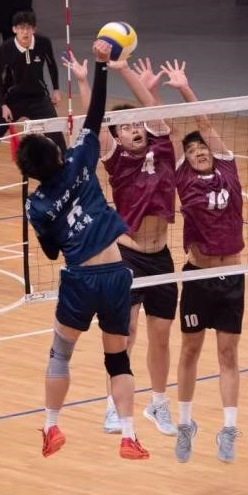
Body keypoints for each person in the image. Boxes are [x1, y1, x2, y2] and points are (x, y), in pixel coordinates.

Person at [16, 39, 149, 461]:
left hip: (80, 278)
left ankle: (51, 426)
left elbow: (50, 253)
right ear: (57, 153)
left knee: (61, 352)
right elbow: (96, 115)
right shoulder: (78, 161)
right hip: (116, 275)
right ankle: (128, 435)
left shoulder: (36, 205)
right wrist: (101, 66)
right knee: (118, 360)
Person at [66, 55, 179, 437]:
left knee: (161, 336)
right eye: (125, 127)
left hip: (161, 256)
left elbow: (152, 109)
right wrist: (87, 80)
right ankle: (113, 407)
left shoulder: (163, 147)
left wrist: (125, 70)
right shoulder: (116, 160)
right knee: (124, 333)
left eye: (136, 124)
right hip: (127, 256)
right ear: (117, 136)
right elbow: (94, 121)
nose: (134, 130)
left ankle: (158, 404)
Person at [164, 59, 247, 463]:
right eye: (192, 151)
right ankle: (185, 424)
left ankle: (228, 430)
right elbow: (170, 131)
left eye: (202, 149)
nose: (198, 152)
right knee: (190, 351)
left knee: (228, 354)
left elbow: (203, 121)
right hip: (198, 276)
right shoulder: (182, 177)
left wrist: (184, 87)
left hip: (231, 277)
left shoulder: (228, 169)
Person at [0, 11, 65, 190]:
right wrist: (3, 104)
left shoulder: (43, 43)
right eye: (21, 28)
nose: (25, 32)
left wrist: (56, 89)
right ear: (14, 29)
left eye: (29, 28)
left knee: (55, 134)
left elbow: (52, 65)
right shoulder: (7, 48)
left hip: (38, 98)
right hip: (11, 100)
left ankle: (66, 171)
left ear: (34, 29)